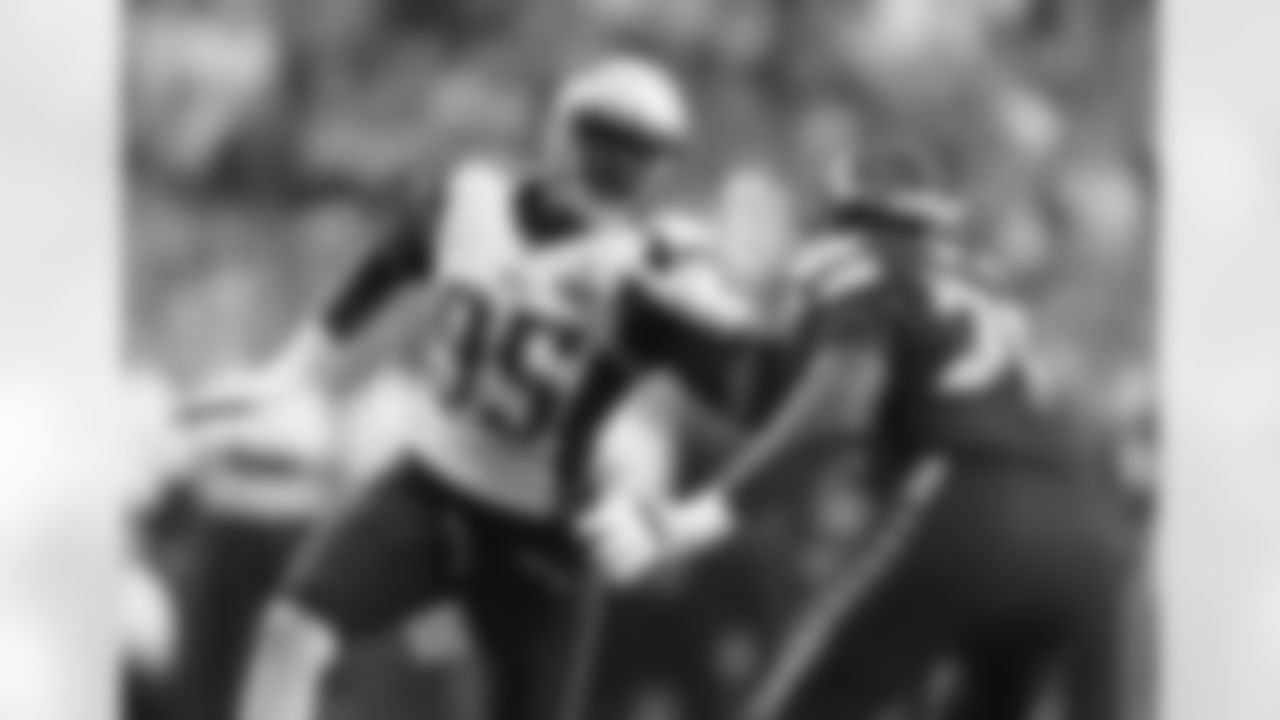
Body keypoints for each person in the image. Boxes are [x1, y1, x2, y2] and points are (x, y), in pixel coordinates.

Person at [189, 55, 697, 720]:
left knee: (458, 681)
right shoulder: (470, 200)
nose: (611, 163)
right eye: (603, 138)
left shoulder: (650, 274)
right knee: (293, 631)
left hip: (542, 543)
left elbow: (732, 392)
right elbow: (385, 266)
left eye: (632, 151)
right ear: (561, 131)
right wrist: (292, 369)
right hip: (430, 489)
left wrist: (664, 515)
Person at [569, 149, 1142, 720]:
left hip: (967, 502)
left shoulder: (858, 261)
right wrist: (695, 350)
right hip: (1088, 533)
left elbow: (833, 419)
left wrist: (688, 522)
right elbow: (805, 397)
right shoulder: (985, 287)